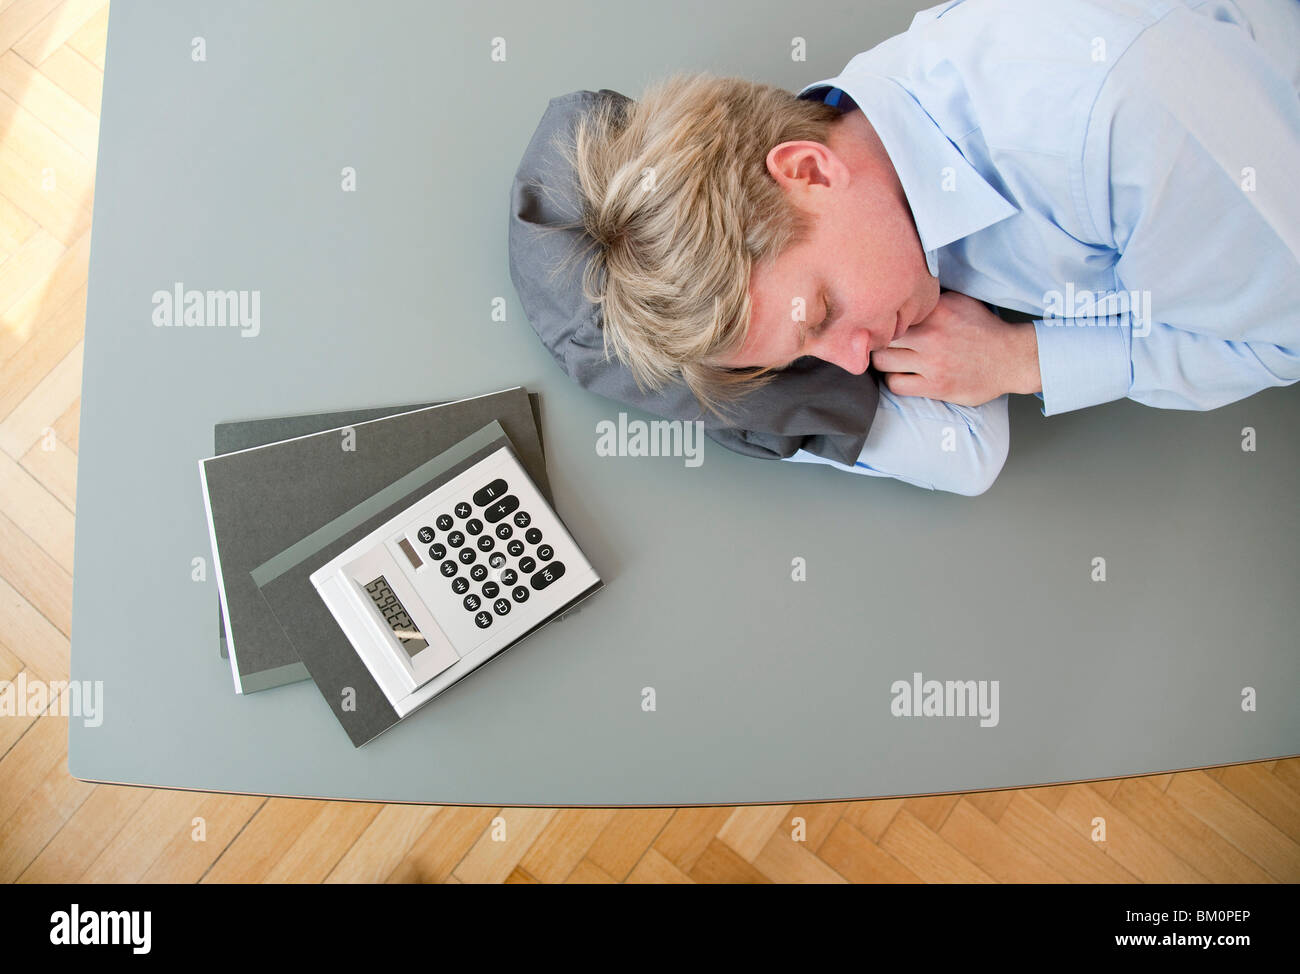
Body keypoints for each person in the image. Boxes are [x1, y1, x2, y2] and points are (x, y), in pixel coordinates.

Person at [559, 0, 1300, 495]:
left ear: (808, 171)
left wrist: (1026, 359)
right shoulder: (868, 152)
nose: (852, 363)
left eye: (819, 315)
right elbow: (964, 456)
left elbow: (1284, 338)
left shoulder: (1116, 127)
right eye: (807, 356)